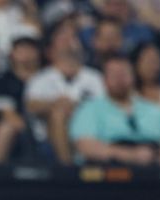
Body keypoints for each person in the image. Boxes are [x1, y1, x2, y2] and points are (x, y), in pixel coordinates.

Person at [70, 54, 160, 166]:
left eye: (123, 74)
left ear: (133, 76)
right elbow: (86, 146)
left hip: (153, 170)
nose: (119, 80)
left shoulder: (155, 110)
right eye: (114, 75)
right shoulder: (89, 109)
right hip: (109, 171)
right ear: (103, 80)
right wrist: (131, 155)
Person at [24, 19, 104, 164]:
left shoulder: (95, 77)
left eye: (73, 37)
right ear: (50, 51)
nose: (69, 42)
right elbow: (31, 105)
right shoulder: (40, 79)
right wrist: (56, 103)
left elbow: (105, 106)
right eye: (62, 38)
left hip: (91, 132)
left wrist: (77, 107)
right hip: (50, 135)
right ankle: (68, 169)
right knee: (58, 114)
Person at [0, 35, 41, 162]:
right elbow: (9, 115)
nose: (27, 53)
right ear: (11, 54)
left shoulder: (48, 79)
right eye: (22, 49)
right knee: (7, 127)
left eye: (31, 49)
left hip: (45, 131)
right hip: (19, 137)